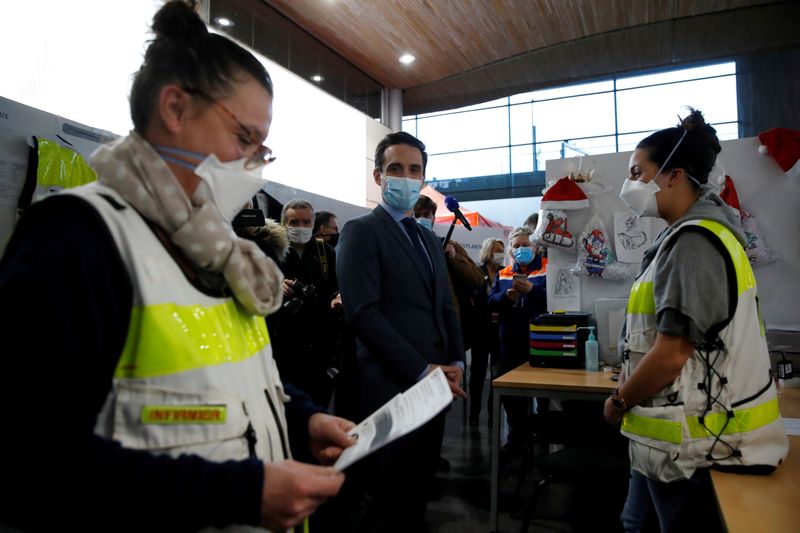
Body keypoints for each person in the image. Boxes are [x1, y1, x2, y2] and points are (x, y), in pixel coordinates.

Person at [0, 2, 356, 531]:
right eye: (243, 138)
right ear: (175, 108)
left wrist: (302, 419)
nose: (252, 165)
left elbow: (233, 378)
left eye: (262, 148)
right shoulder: (76, 238)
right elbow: (28, 459)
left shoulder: (218, 250)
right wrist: (240, 493)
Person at [604, 109, 788, 533]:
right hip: (667, 442)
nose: (629, 184)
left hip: (699, 447)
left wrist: (618, 402)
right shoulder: (684, 237)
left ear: (673, 175)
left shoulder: (694, 243)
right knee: (634, 524)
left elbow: (671, 355)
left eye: (637, 172)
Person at [333, 131, 467, 531]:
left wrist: (456, 359)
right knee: (383, 498)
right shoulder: (361, 231)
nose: (406, 177)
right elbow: (363, 313)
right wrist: (421, 368)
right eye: (396, 168)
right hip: (385, 387)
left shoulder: (427, 238)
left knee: (417, 491)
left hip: (434, 387)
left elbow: (445, 306)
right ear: (379, 176)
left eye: (415, 170)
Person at [272, 199, 341, 409]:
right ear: (284, 223)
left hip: (318, 343)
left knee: (318, 403)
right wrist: (277, 286)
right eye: (294, 222)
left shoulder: (325, 252)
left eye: (305, 222)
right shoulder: (272, 249)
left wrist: (337, 297)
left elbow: (335, 286)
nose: (300, 227)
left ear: (313, 223)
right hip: (283, 342)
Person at [488, 226, 547, 452]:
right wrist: (507, 296)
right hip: (510, 344)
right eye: (517, 246)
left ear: (535, 247)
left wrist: (532, 289)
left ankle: (541, 440)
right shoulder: (504, 274)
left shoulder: (547, 268)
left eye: (525, 245)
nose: (521, 249)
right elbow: (490, 303)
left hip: (541, 343)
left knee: (543, 397)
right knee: (512, 395)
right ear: (511, 251)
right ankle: (517, 438)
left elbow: (556, 300)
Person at [469, 237, 506, 427]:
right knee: (477, 374)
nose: (500, 254)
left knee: (496, 375)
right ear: (488, 252)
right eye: (497, 250)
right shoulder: (477, 272)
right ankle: (474, 414)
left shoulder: (504, 273)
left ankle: (494, 415)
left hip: (499, 331)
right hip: (480, 330)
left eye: (502, 250)